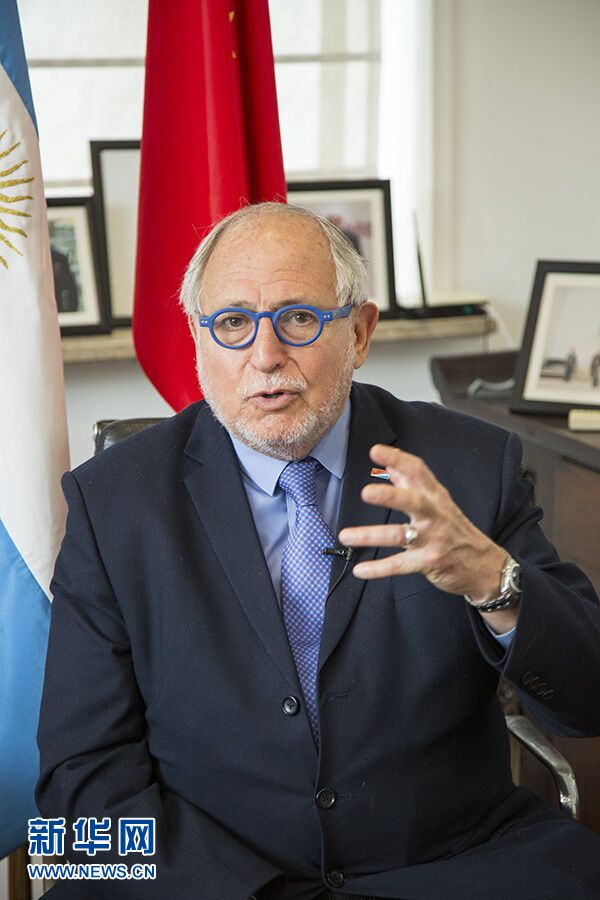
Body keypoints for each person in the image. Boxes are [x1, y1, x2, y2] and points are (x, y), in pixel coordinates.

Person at [36, 202, 600, 899]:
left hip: (446, 867)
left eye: (299, 318)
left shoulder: (470, 466)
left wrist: (495, 582)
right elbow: (81, 776)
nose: (265, 356)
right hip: (209, 883)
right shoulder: (113, 502)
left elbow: (588, 701)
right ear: (198, 338)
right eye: (233, 323)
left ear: (359, 333)